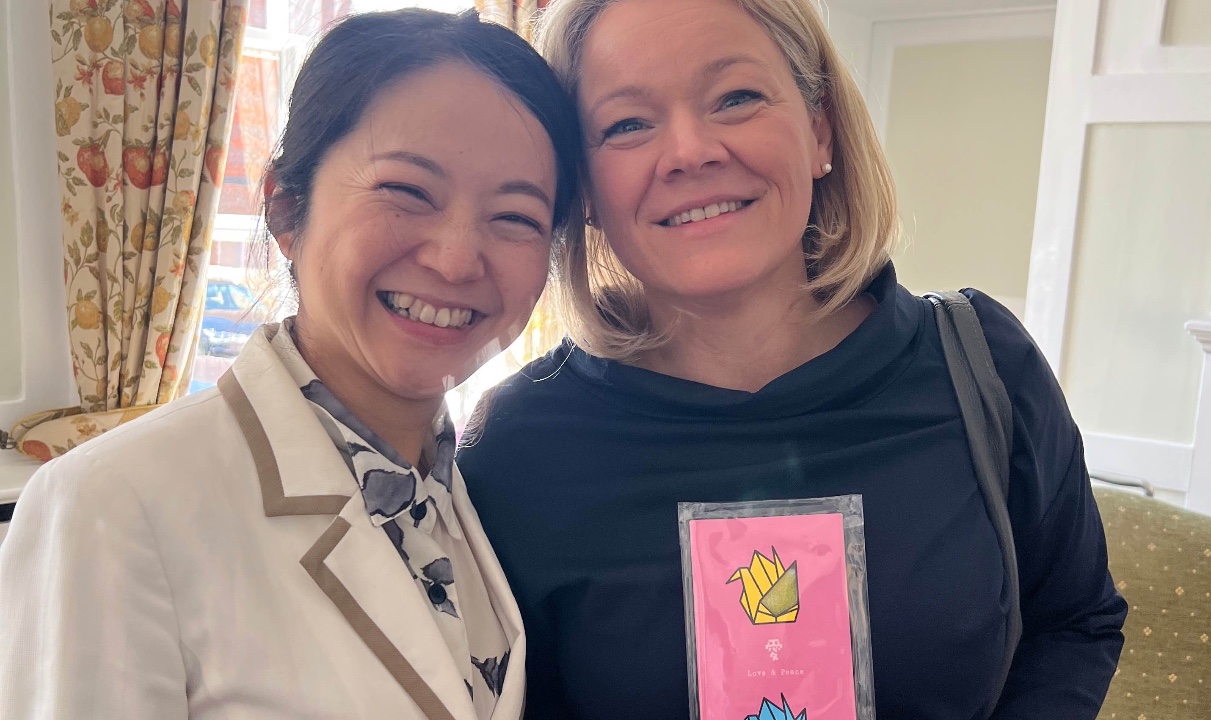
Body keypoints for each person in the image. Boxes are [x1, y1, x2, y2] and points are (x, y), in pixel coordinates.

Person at [455, 0, 1127, 717]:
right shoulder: (517, 448)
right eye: (626, 124)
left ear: (819, 130)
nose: (689, 151)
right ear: (583, 187)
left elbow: (1073, 618)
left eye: (735, 97)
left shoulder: (985, 367)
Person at [0, 9, 580, 719]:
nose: (457, 260)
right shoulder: (110, 505)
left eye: (516, 217)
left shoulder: (474, 492)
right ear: (284, 209)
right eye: (406, 192)